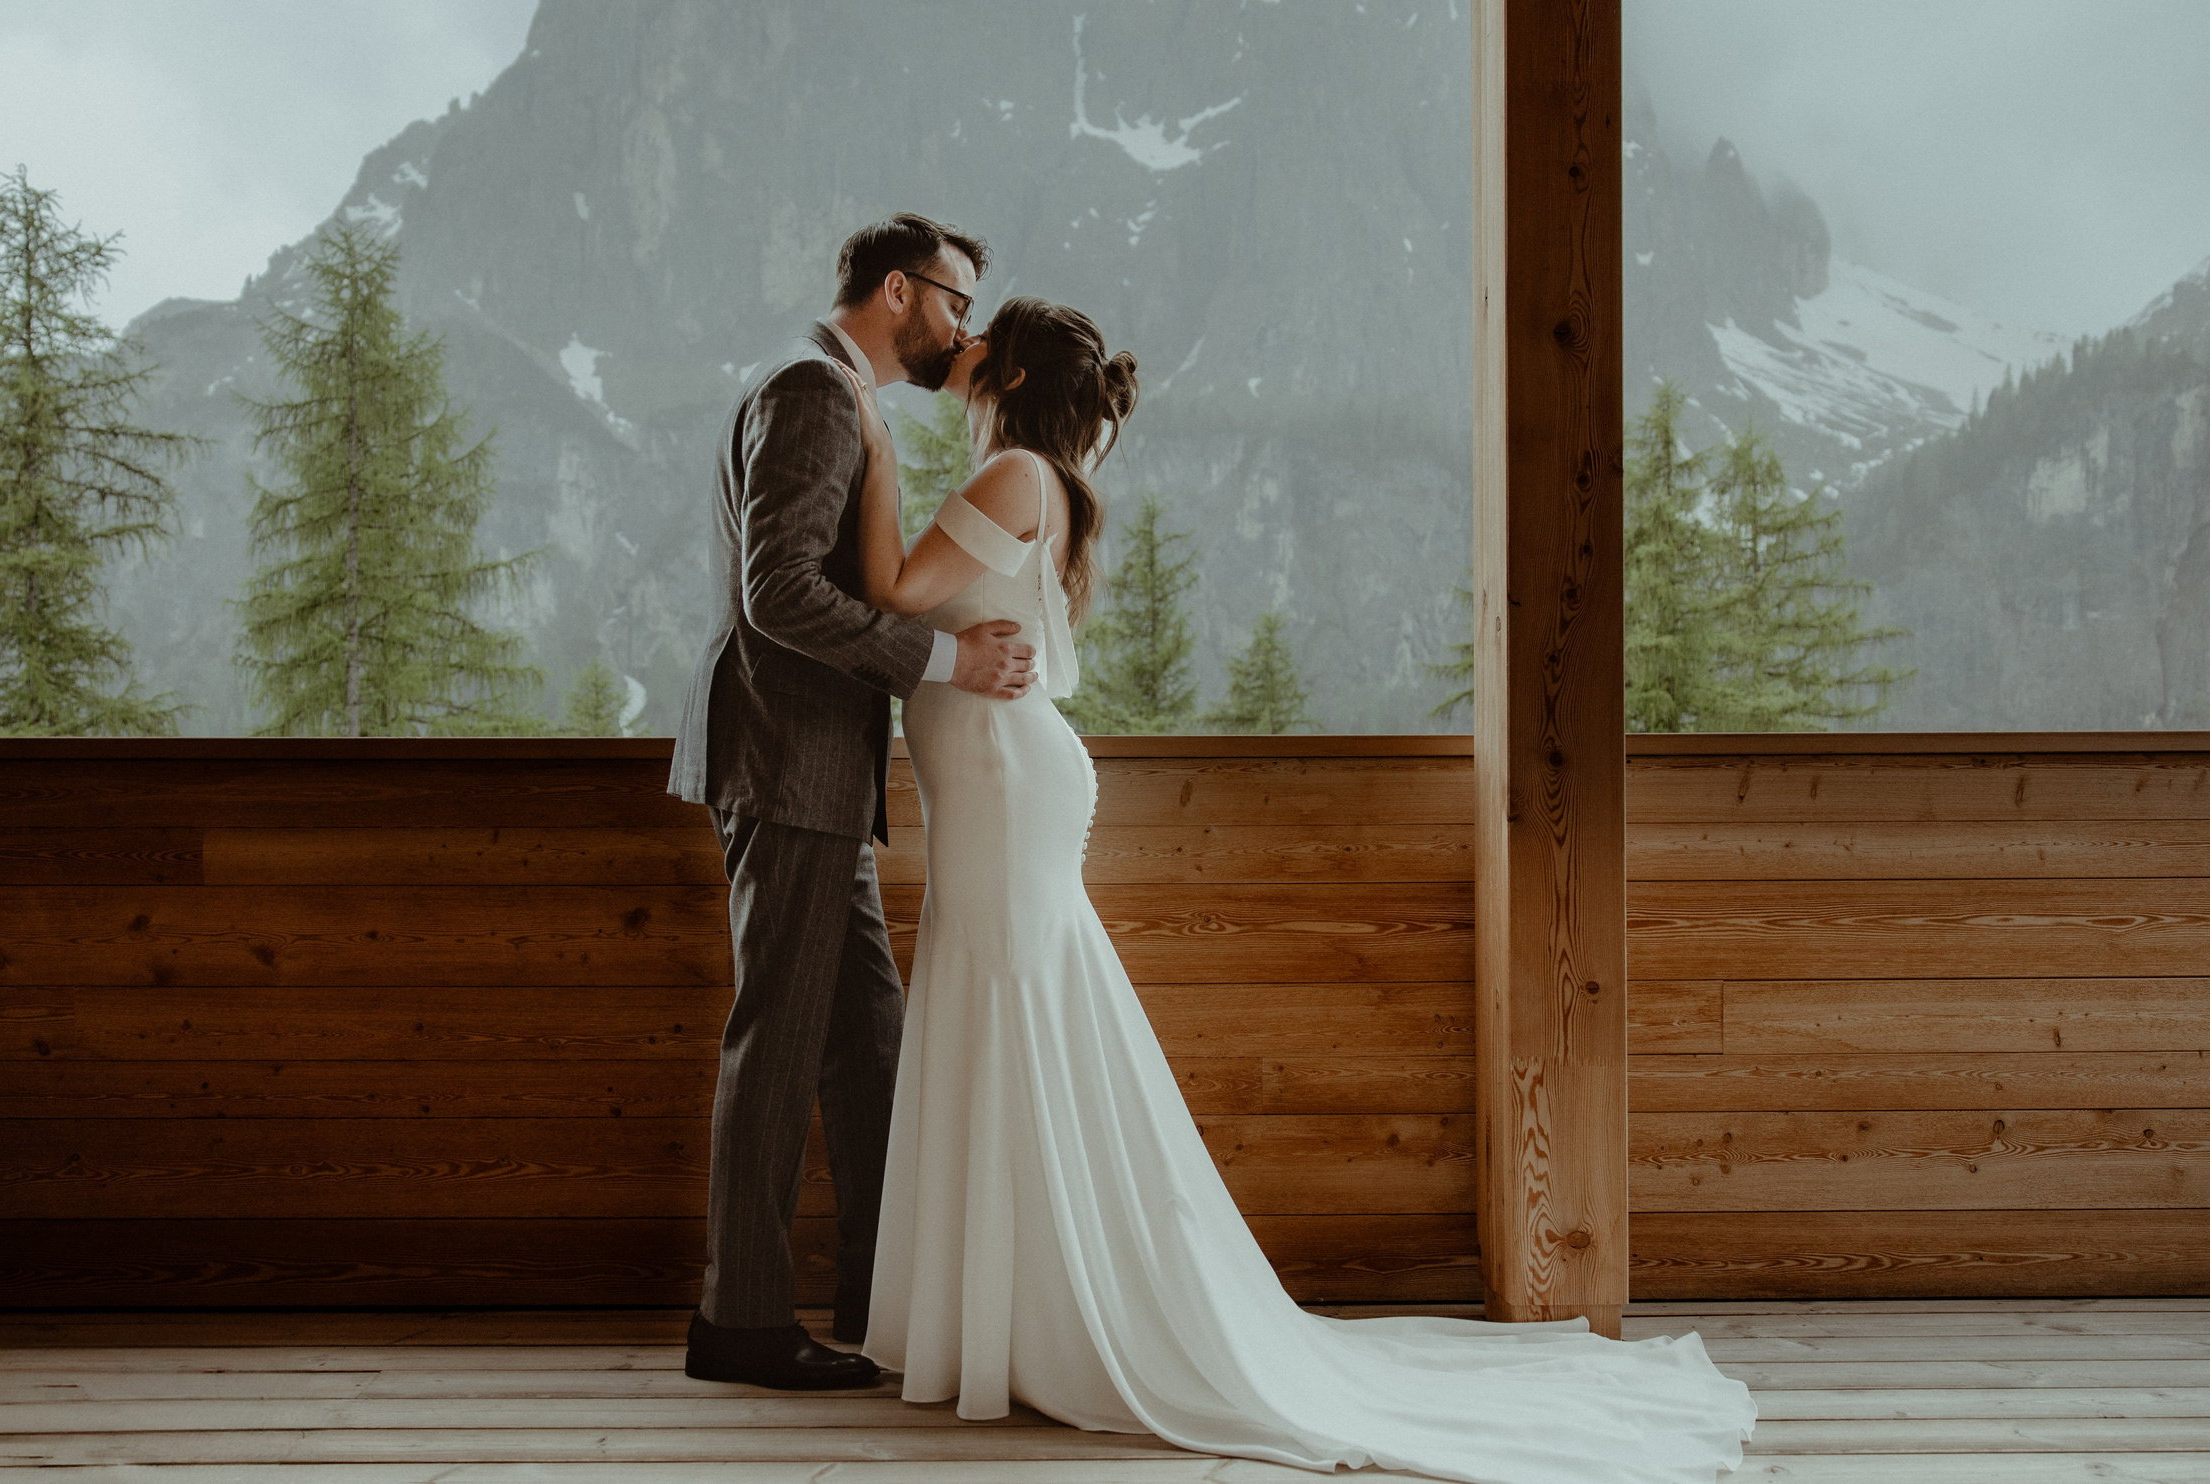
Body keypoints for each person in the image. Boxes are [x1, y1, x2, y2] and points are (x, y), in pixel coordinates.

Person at [830, 295, 1760, 1483]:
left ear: (1004, 372)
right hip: (993, 778)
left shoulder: (1015, 473)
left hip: (1004, 781)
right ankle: (1006, 1314)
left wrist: (871, 447)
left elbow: (897, 592)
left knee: (1018, 1015)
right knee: (1005, 1012)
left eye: (972, 340)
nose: (952, 353)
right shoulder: (1029, 473)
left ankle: (1045, 1312)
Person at [667, 213, 1035, 1392]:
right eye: (955, 302)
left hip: (817, 768)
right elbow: (776, 595)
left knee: (869, 1041)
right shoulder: (816, 392)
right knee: (776, 1039)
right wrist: (943, 660)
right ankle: (742, 1324)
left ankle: (887, 1303)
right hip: (787, 761)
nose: (961, 327)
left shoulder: (825, 390)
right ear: (897, 290)